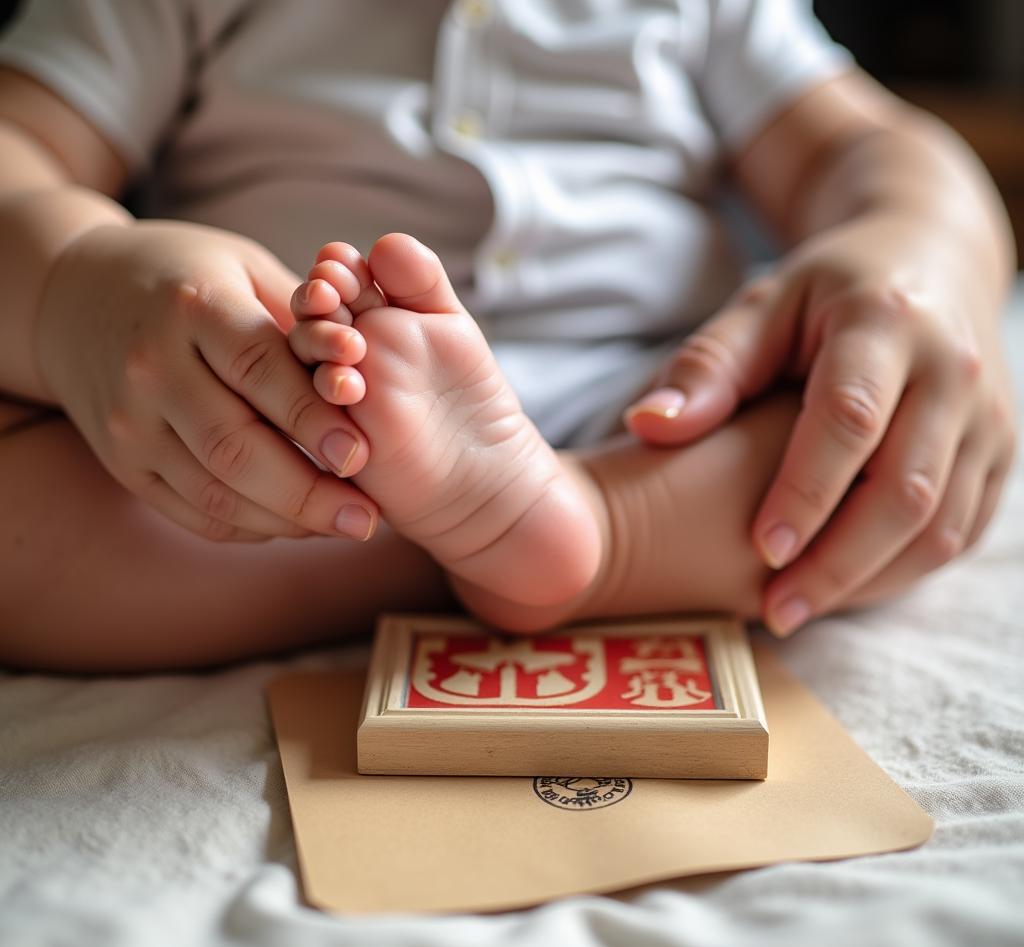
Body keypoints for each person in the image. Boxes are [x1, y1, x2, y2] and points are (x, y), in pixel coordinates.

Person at [0, 0, 1015, 672]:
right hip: (291, 426)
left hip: (646, 412)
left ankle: (585, 532)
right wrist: (77, 287)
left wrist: (921, 248)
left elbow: (868, 145)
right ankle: (483, 536)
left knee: (881, 418)